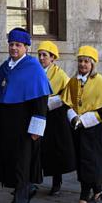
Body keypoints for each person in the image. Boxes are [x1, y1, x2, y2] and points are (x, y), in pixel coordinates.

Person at [0, 27, 51, 203]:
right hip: (5, 124)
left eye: (18, 45)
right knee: (8, 160)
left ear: (26, 47)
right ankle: (24, 189)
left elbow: (41, 101)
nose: (14, 48)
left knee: (22, 164)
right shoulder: (5, 67)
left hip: (24, 125)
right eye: (11, 44)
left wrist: (36, 130)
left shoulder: (34, 68)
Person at [60, 46, 102, 203]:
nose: (83, 64)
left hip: (93, 130)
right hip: (77, 129)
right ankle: (97, 189)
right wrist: (73, 118)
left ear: (92, 64)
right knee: (81, 161)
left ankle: (83, 196)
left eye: (86, 61)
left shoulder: (100, 83)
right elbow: (66, 103)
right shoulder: (72, 82)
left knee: (91, 161)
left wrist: (83, 120)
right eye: (80, 61)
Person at [36, 40, 75, 195]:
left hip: (55, 117)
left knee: (54, 149)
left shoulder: (60, 74)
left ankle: (56, 182)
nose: (41, 58)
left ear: (52, 58)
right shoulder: (36, 71)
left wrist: (51, 101)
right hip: (39, 114)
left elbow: (67, 95)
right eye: (39, 55)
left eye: (44, 55)